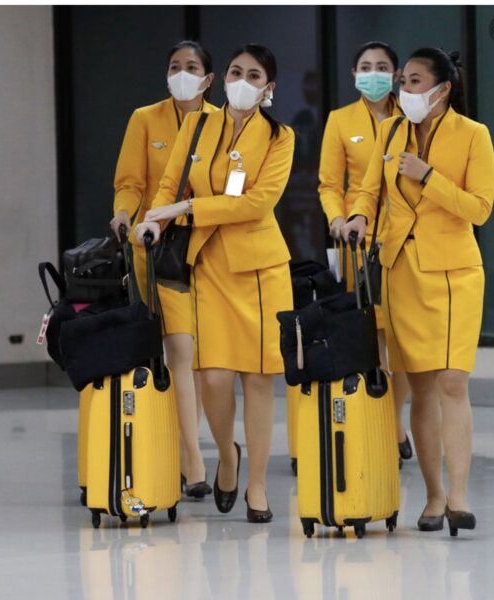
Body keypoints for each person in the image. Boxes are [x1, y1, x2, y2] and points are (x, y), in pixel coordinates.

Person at [137, 43, 295, 523]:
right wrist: (154, 219)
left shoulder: (280, 137)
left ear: (268, 88)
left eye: (253, 75)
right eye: (235, 72)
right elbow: (170, 185)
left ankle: (258, 486)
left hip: (261, 271)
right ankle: (228, 454)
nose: (241, 82)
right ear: (222, 79)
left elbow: (256, 203)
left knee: (259, 380)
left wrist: (187, 209)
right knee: (213, 379)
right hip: (207, 265)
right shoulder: (197, 125)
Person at [342, 48, 494, 536]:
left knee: (453, 382)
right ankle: (433, 495)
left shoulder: (473, 135)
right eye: (402, 80)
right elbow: (369, 190)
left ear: (442, 88)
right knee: (423, 386)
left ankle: (459, 496)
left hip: (455, 274)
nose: (403, 89)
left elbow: (480, 208)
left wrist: (428, 177)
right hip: (401, 272)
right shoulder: (390, 132)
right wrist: (359, 216)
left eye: (413, 81)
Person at [109, 41, 220, 499]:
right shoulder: (145, 119)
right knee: (179, 352)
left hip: (210, 250)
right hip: (157, 251)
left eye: (191, 67)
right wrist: (123, 213)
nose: (181, 73)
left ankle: (189, 448)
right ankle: (192, 462)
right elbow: (130, 181)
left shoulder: (222, 123)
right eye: (175, 66)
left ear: (208, 79)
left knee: (203, 362)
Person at [319, 41, 413, 464]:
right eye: (365, 66)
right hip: (358, 241)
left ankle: (395, 417)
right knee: (371, 336)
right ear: (354, 74)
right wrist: (337, 218)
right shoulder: (341, 120)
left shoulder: (410, 117)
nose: (373, 73)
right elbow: (328, 183)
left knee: (402, 340)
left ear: (396, 74)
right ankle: (380, 422)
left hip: (406, 238)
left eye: (382, 66)